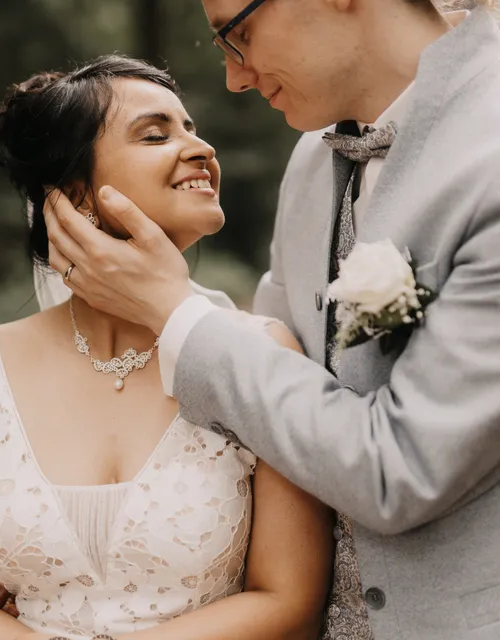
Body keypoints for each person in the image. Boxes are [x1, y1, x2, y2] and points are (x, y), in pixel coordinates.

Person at [42, 2, 500, 639]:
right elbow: (266, 404)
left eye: (238, 33)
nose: (236, 77)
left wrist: (171, 307)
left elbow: (400, 472)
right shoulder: (312, 161)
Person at [0, 55, 334, 640]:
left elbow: (290, 598)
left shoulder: (261, 353)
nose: (201, 148)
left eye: (192, 128)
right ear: (75, 194)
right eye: (156, 135)